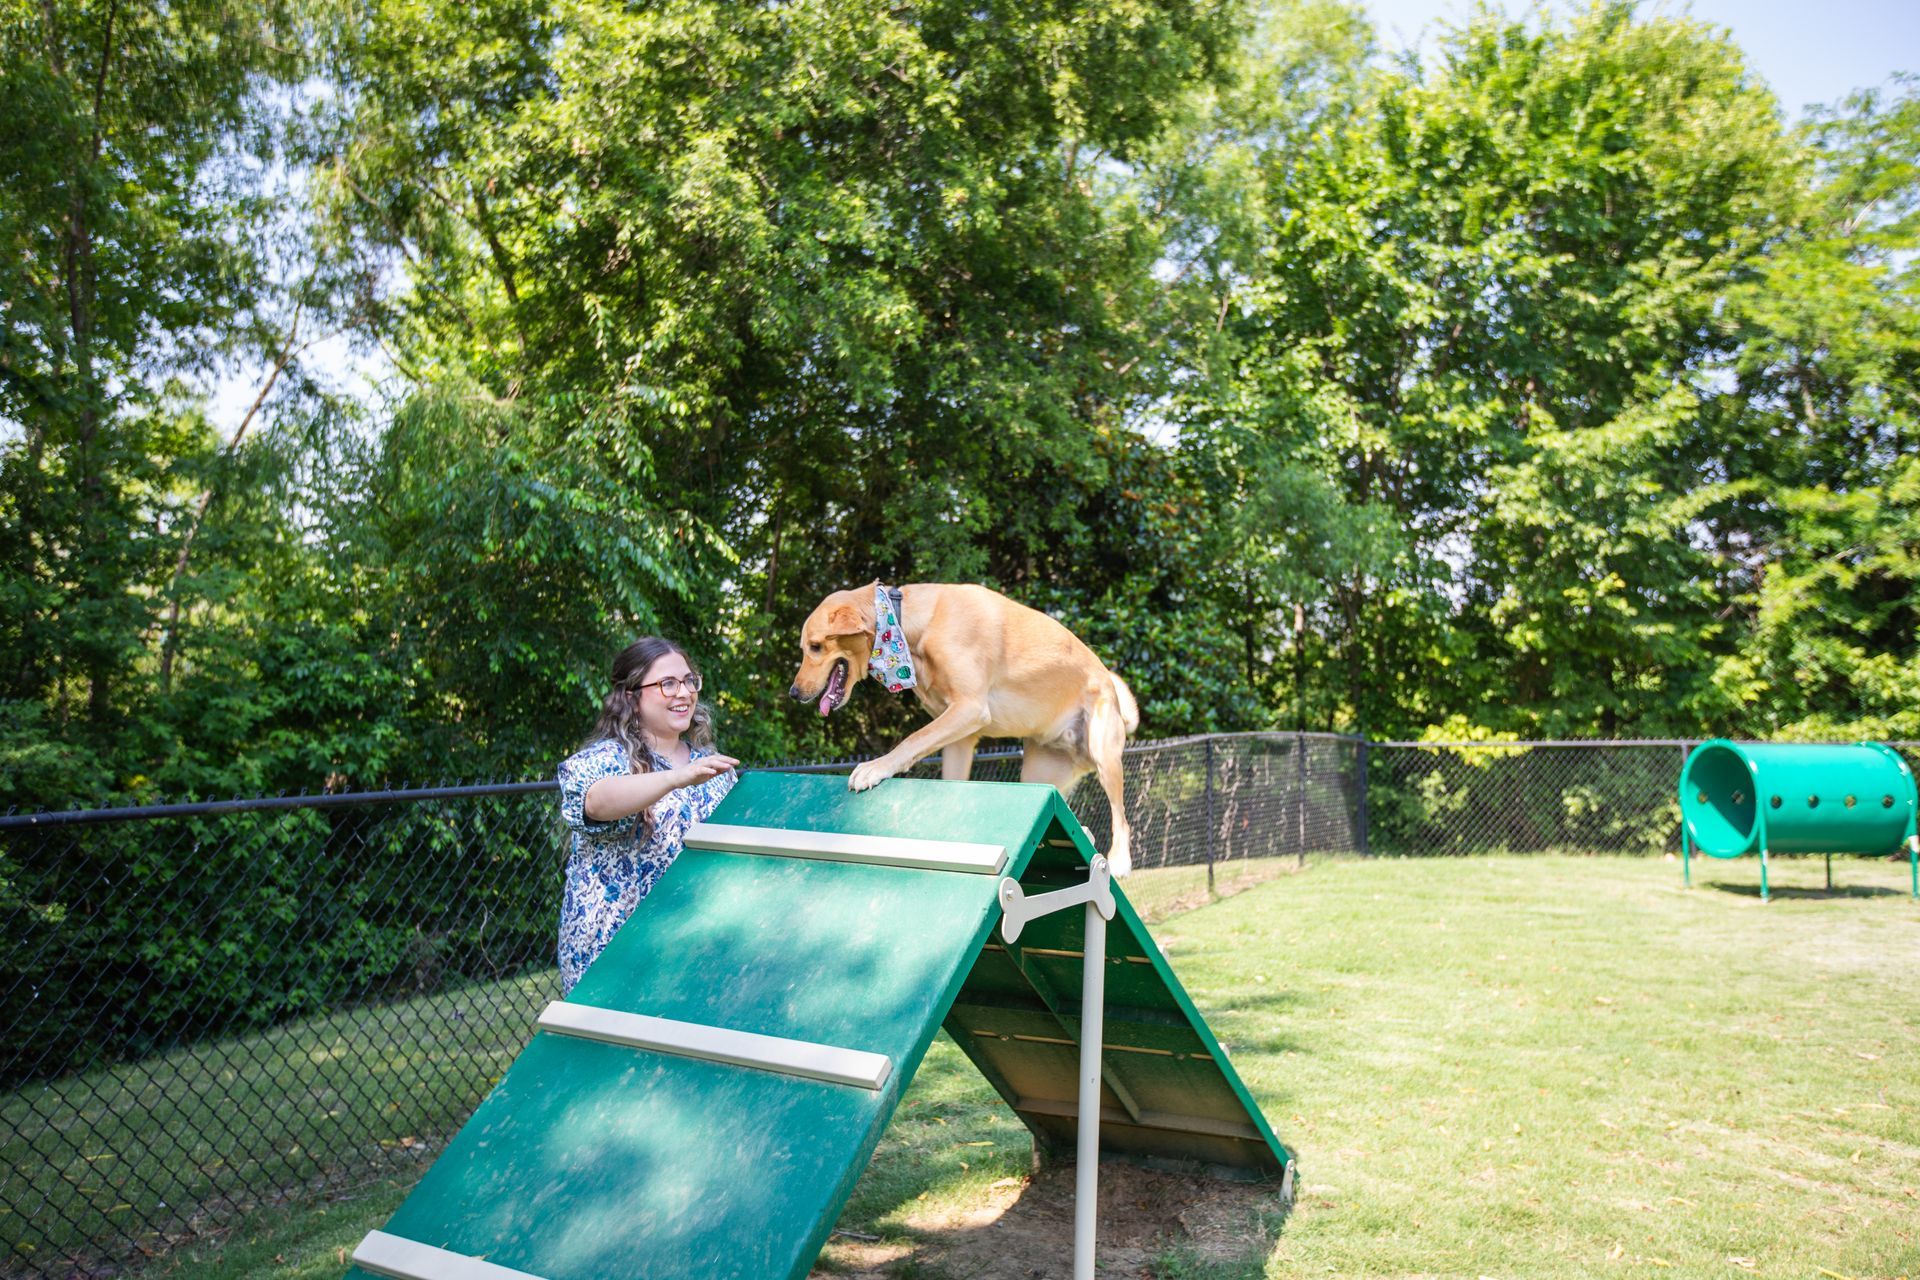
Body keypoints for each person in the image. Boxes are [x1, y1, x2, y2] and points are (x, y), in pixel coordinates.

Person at [555, 636, 740, 993]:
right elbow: (597, 802)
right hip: (615, 956)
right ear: (631, 696)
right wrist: (675, 778)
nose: (683, 692)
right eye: (667, 683)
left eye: (689, 681)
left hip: (692, 951)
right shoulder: (605, 760)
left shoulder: (712, 766)